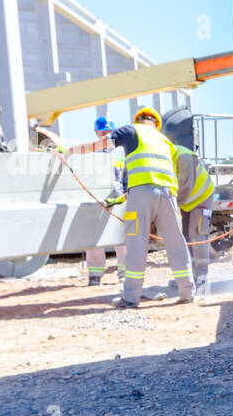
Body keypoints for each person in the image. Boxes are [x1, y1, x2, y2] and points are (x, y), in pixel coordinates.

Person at [45, 107, 193, 307]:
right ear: (156, 125)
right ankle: (187, 292)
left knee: (136, 244)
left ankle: (131, 298)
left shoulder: (131, 131)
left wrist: (68, 150)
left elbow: (99, 145)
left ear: (138, 120)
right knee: (176, 243)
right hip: (168, 194)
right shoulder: (166, 141)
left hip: (141, 193)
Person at [83, 116, 127, 286]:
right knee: (94, 237)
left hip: (118, 198)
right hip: (96, 199)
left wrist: (126, 192)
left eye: (109, 132)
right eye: (103, 132)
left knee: (122, 236)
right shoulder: (90, 151)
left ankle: (124, 273)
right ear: (96, 132)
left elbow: (126, 173)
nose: (106, 135)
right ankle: (95, 274)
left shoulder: (121, 151)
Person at [172, 143, 216, 291]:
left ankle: (201, 277)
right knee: (185, 236)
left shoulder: (183, 156)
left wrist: (170, 205)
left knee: (197, 234)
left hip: (201, 196)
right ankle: (188, 276)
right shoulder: (164, 158)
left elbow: (185, 186)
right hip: (187, 201)